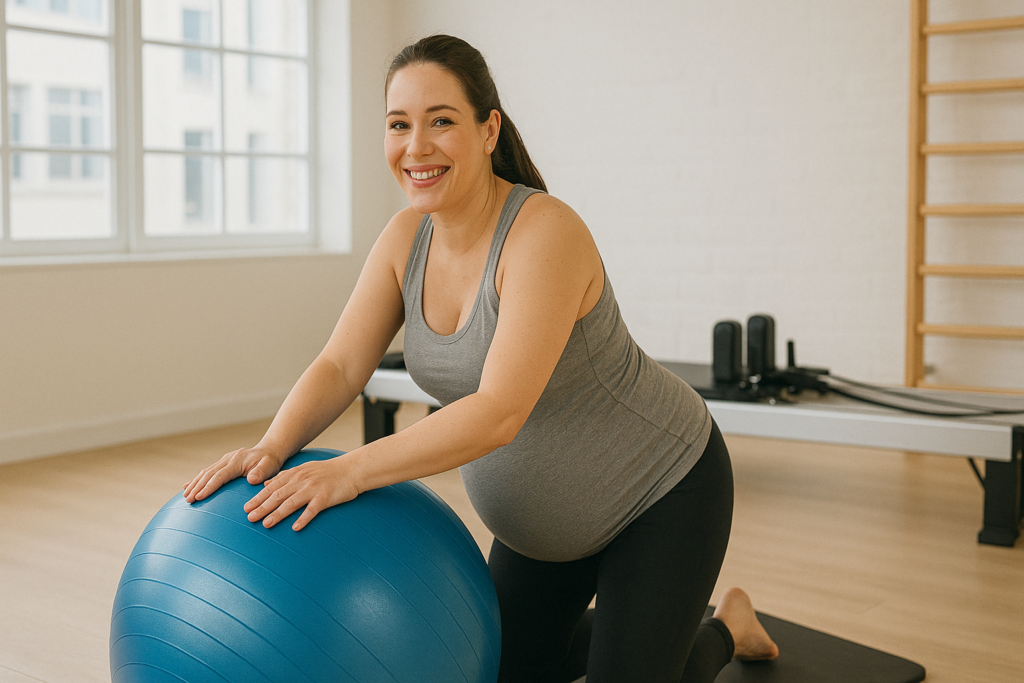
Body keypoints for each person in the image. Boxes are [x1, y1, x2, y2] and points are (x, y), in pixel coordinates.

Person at [184, 34, 778, 683]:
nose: (417, 146)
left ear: (489, 129)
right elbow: (341, 366)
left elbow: (499, 411)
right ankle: (640, 632)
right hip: (541, 529)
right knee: (494, 670)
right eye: (399, 125)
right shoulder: (404, 239)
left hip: (659, 491)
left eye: (441, 121)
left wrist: (349, 472)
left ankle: (725, 628)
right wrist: (271, 448)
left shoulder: (543, 233)